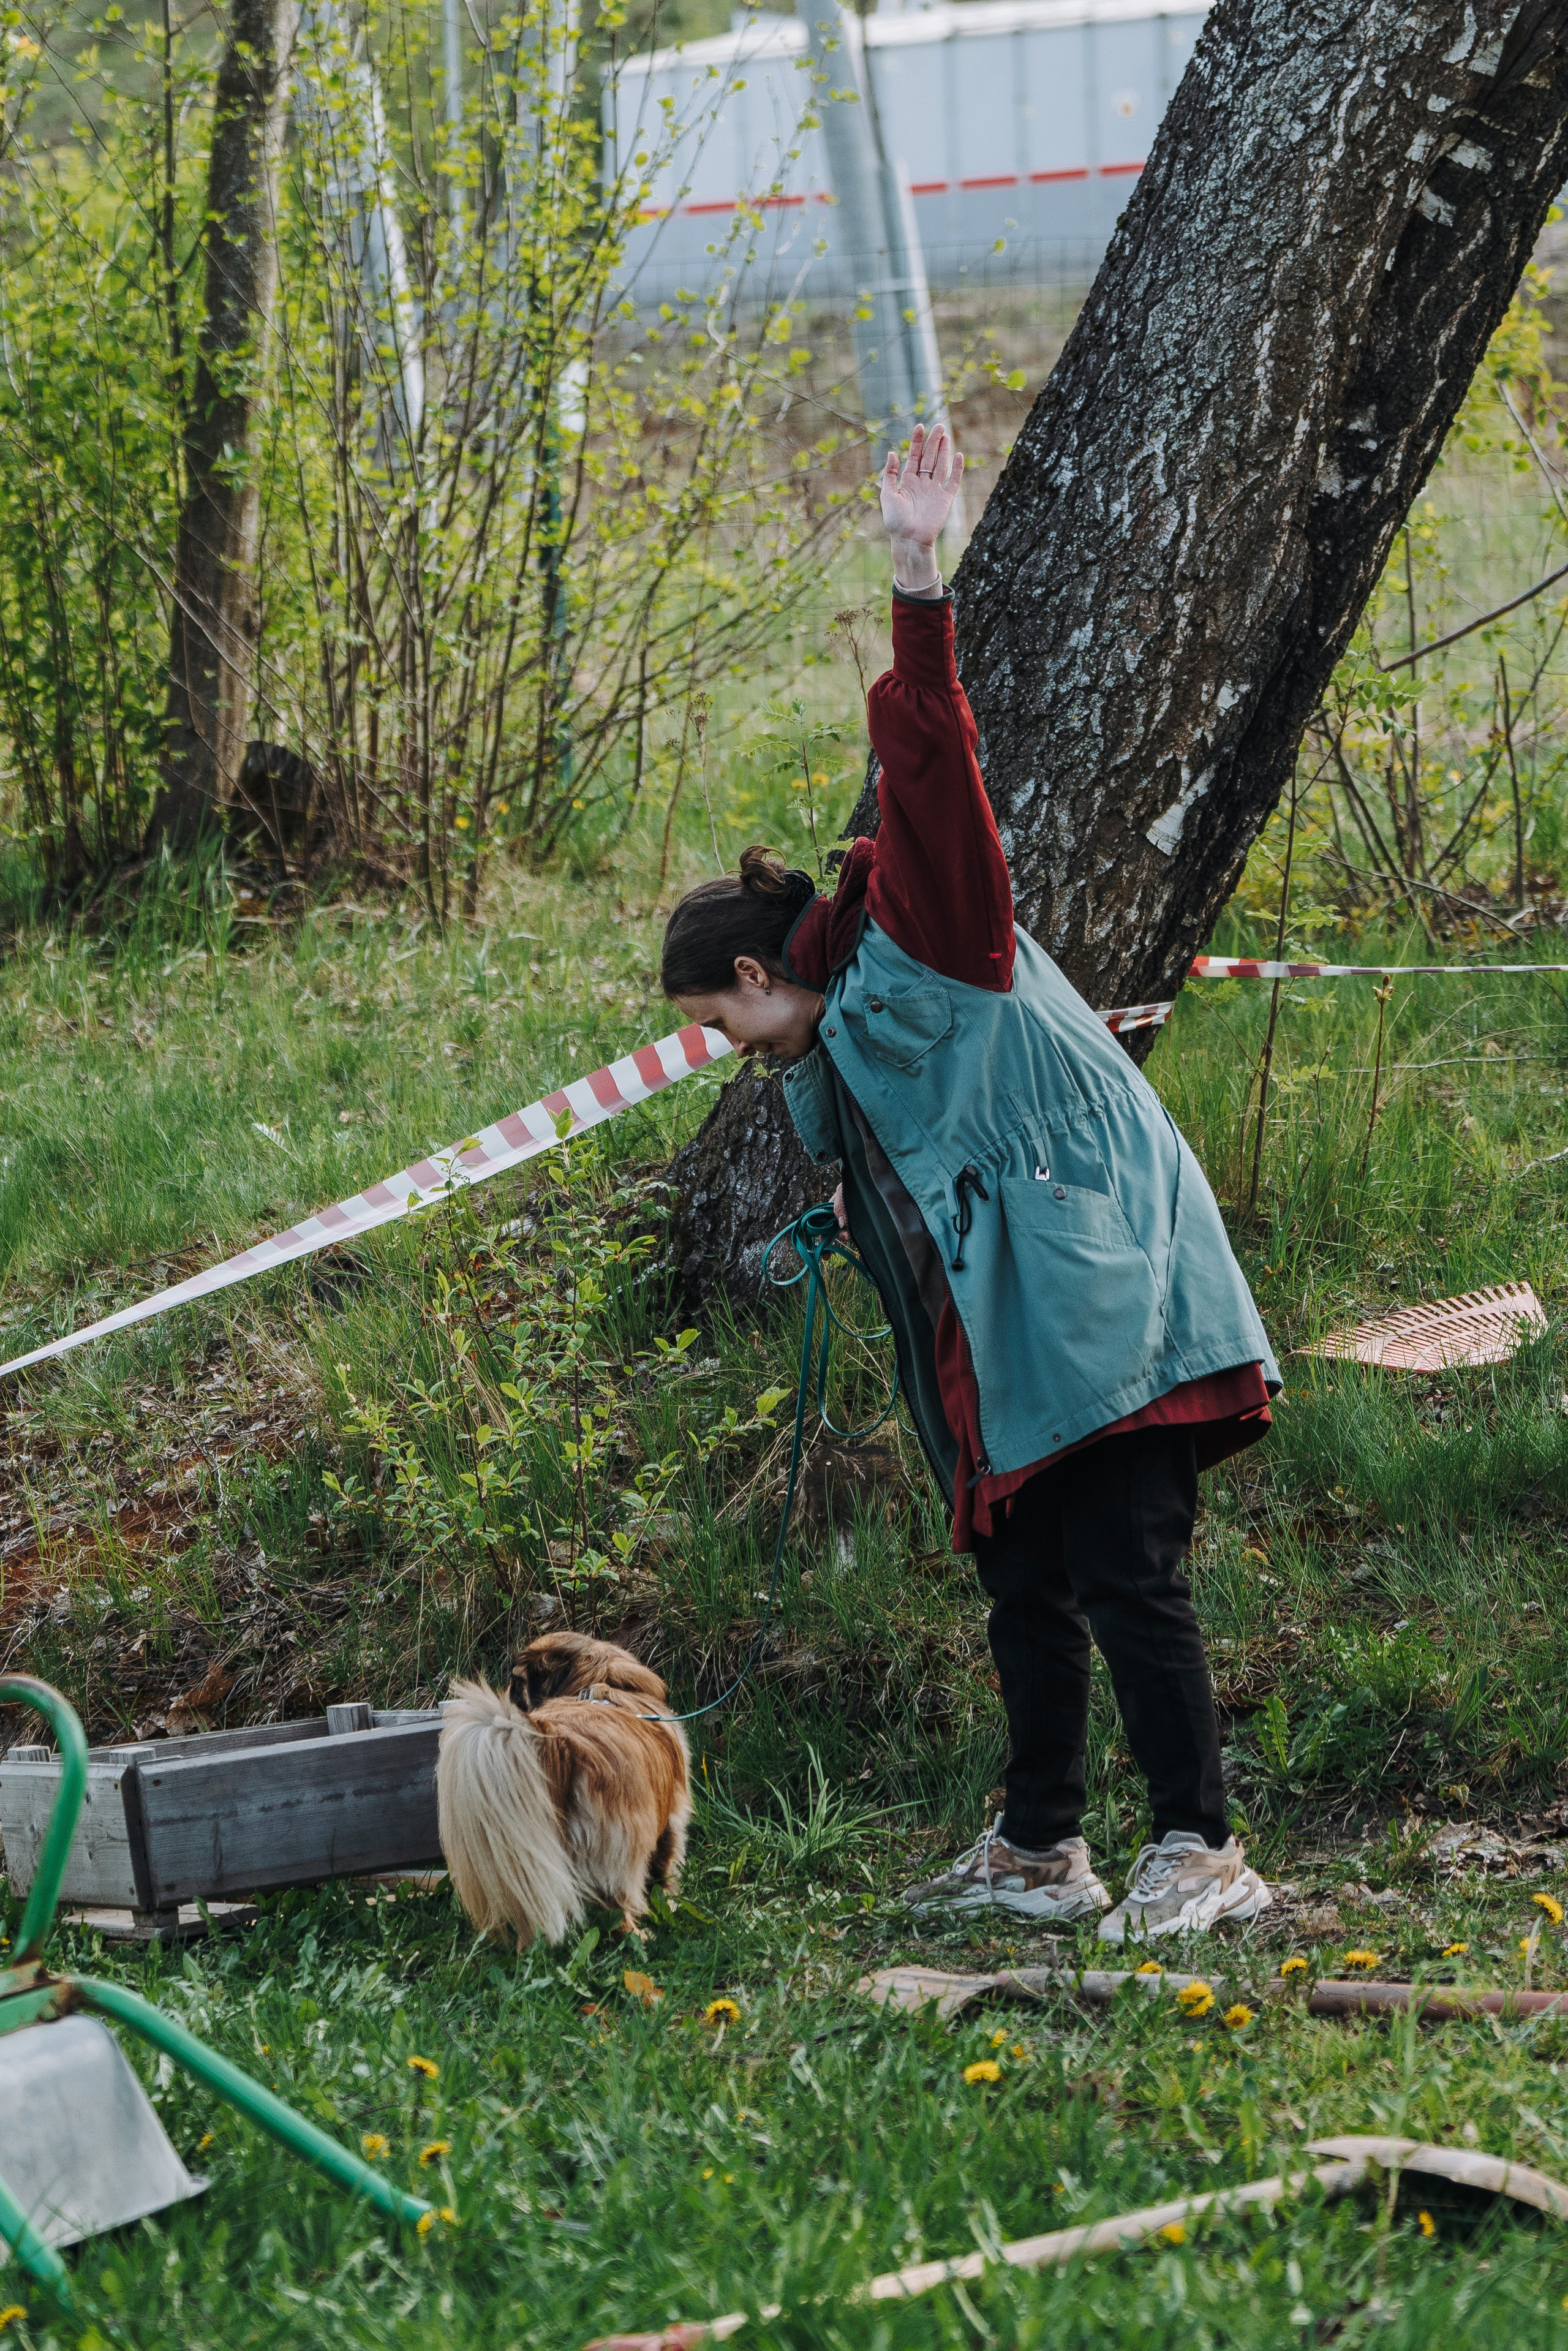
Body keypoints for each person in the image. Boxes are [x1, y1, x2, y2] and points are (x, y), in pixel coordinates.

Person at [660, 425, 1281, 1944]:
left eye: (716, 1022)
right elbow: (844, 1120)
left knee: (1128, 1569)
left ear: (754, 970)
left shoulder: (924, 930)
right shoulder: (836, 1040)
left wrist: (912, 569)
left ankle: (1200, 1850)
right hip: (1000, 1342)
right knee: (1025, 1579)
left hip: (1101, 1286)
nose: (724, 1052)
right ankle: (1036, 1848)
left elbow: (935, 757)